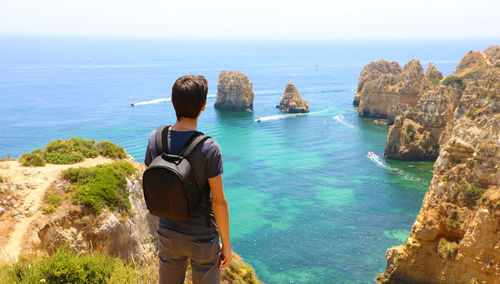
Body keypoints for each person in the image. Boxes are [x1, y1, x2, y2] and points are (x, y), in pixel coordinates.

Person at [144, 75, 231, 284]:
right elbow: (218, 201)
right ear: (203, 106)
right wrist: (226, 244)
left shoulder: (155, 139)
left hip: (167, 233)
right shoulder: (209, 148)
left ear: (172, 102)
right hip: (202, 238)